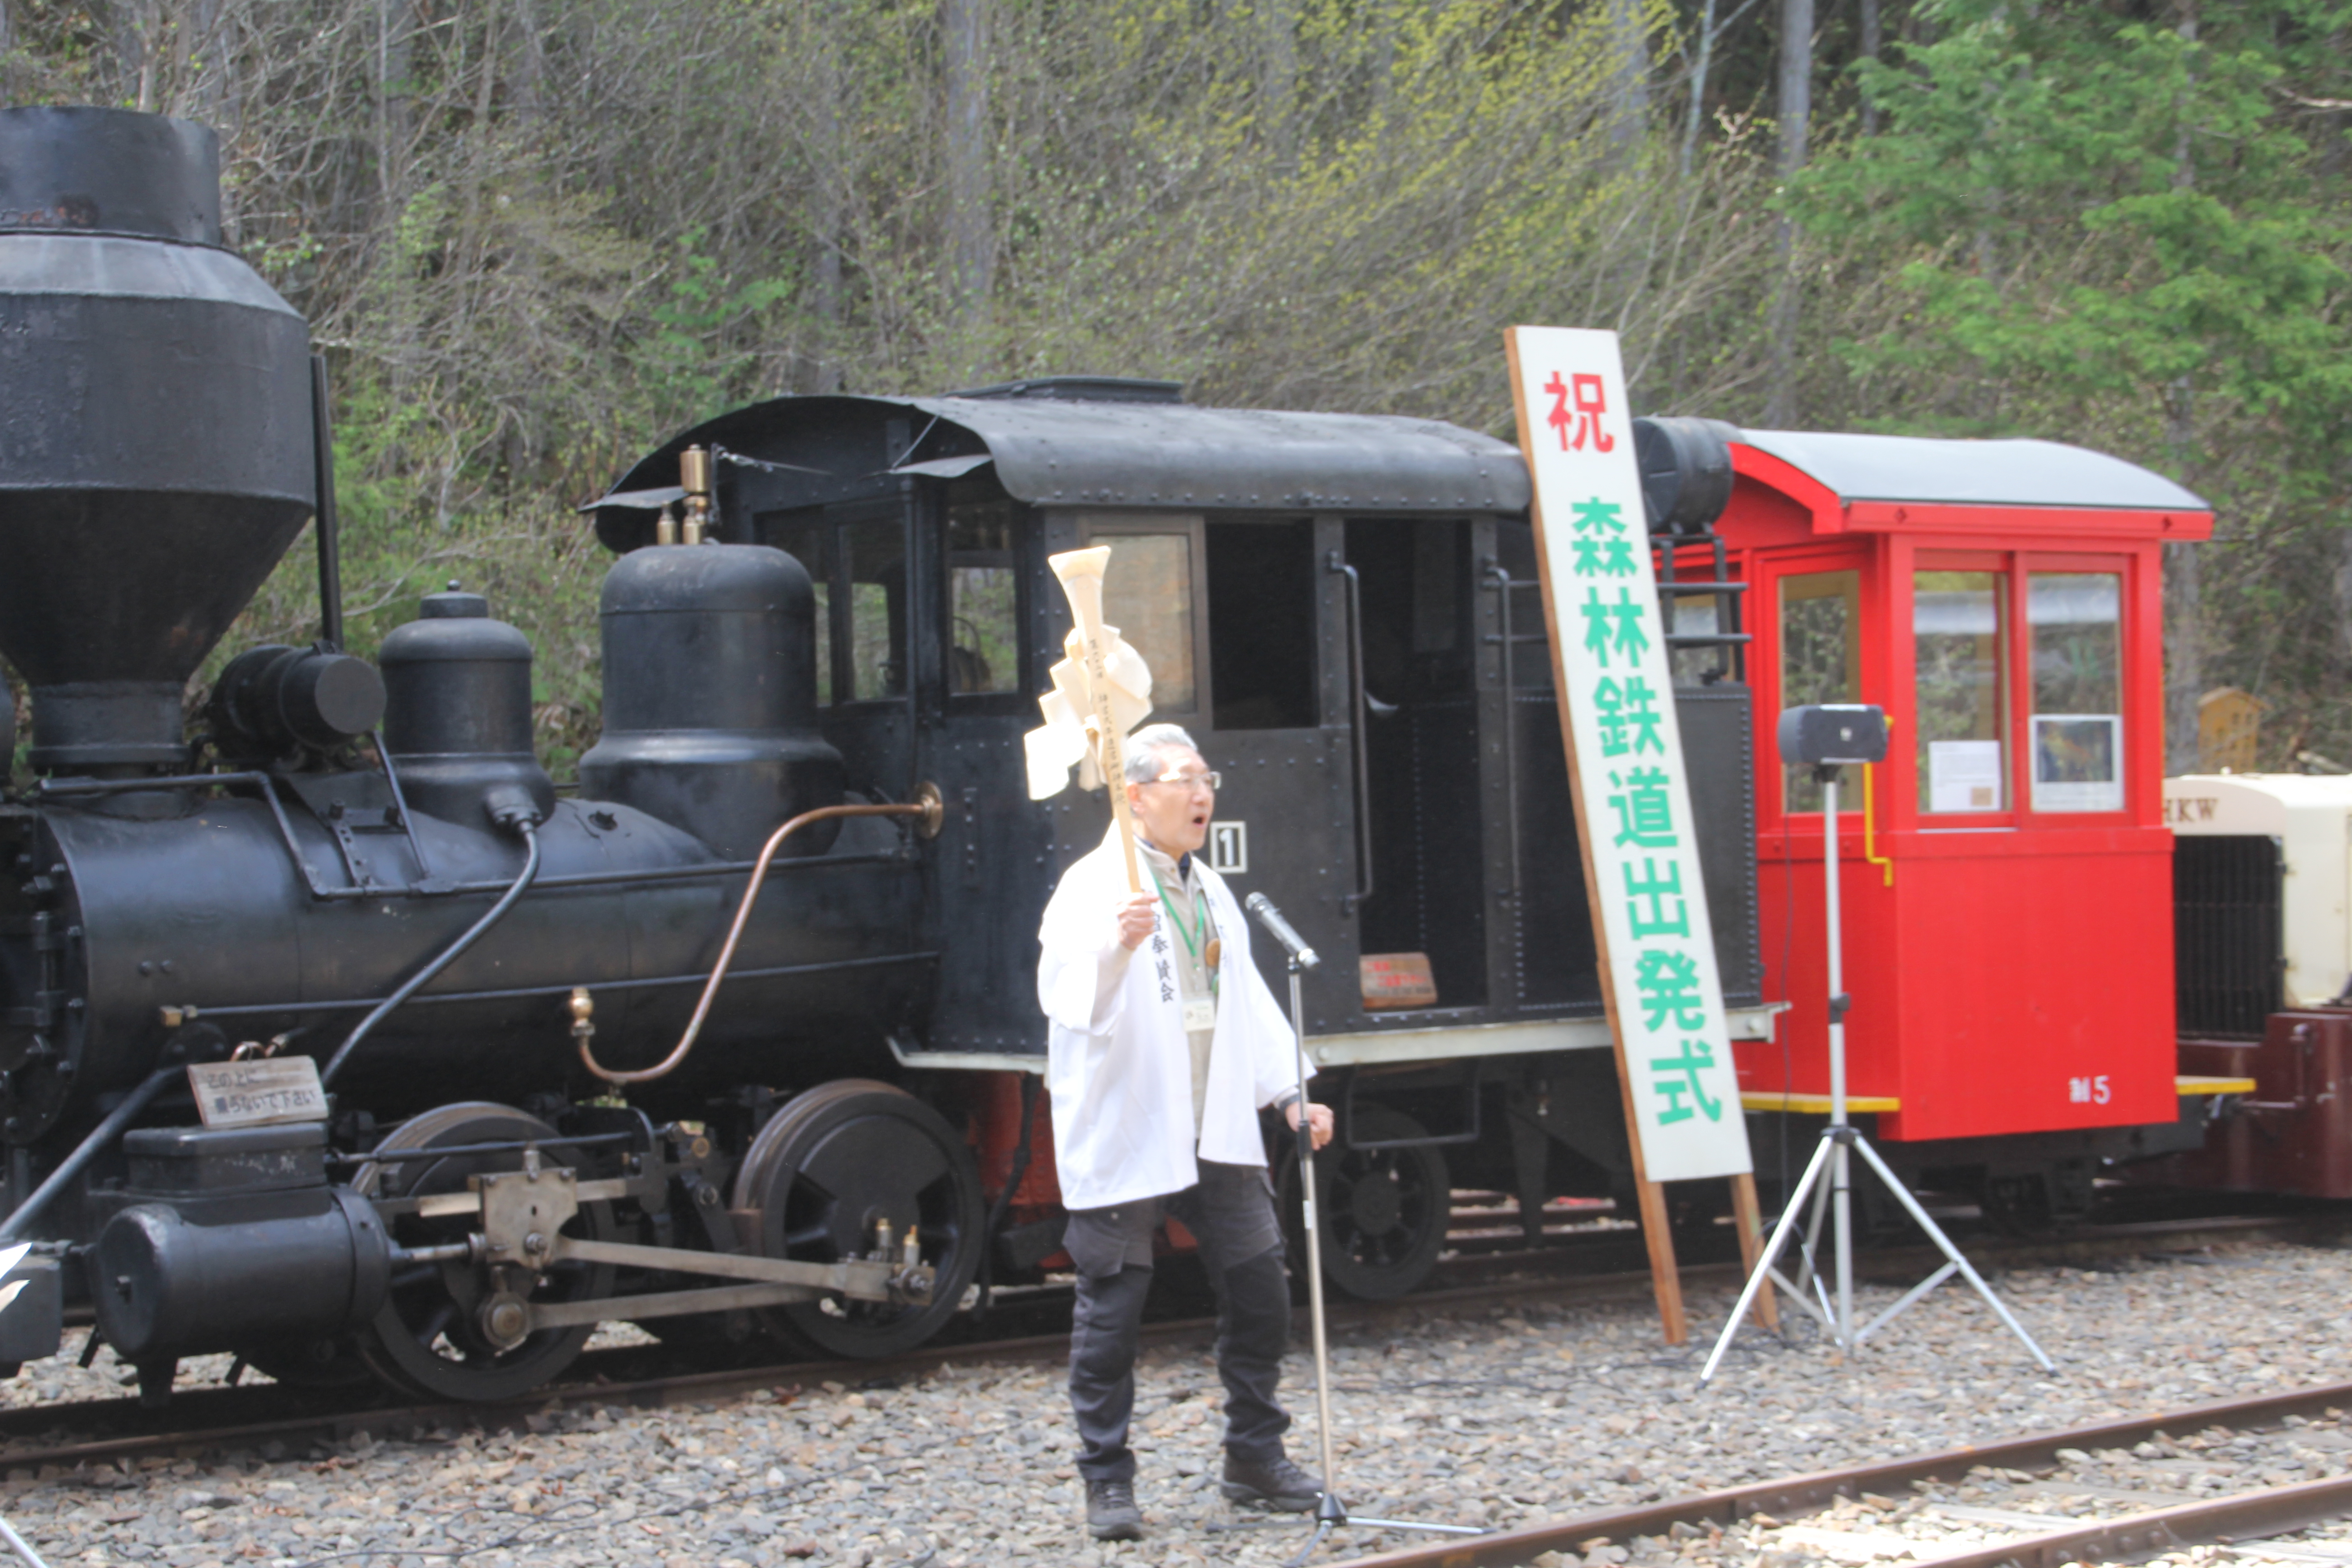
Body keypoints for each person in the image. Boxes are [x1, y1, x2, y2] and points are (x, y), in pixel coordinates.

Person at [1037, 722, 1338, 1543]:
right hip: (1132, 1124)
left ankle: (1253, 1454)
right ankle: (1107, 1479)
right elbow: (1063, 996)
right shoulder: (1093, 886)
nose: (1202, 794)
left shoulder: (1211, 888)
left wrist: (1289, 1093)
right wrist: (1115, 946)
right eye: (1183, 779)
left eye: (1208, 778)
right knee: (1114, 1306)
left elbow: (1247, 1003)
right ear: (1135, 796)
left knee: (1260, 1284)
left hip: (1215, 1123)